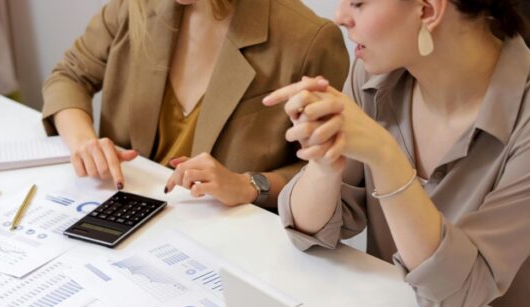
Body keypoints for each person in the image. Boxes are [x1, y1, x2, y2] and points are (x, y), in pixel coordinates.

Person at [264, 0, 530, 307]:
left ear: (427, 10)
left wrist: (385, 155)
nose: (340, 17)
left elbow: (458, 293)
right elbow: (310, 234)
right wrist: (324, 162)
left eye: (359, 3)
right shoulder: (374, 75)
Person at [41, 0, 349, 208]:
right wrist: (84, 142)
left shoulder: (308, 39)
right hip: (122, 214)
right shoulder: (134, 7)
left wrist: (249, 185)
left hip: (229, 248)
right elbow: (68, 77)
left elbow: (332, 170)